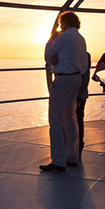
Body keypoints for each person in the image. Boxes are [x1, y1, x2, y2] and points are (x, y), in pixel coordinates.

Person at [40, 11, 88, 172]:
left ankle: (58, 160)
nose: (60, 26)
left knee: (55, 120)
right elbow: (83, 63)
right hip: (75, 79)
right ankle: (72, 156)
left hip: (63, 79)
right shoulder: (81, 39)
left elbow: (48, 56)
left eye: (61, 23)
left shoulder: (64, 36)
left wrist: (51, 41)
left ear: (66, 22)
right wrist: (57, 58)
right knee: (70, 118)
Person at [77, 53, 91, 159]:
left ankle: (78, 145)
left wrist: (80, 97)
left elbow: (85, 77)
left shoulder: (84, 56)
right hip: (80, 94)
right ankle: (78, 145)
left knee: (78, 119)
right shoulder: (86, 55)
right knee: (78, 119)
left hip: (78, 95)